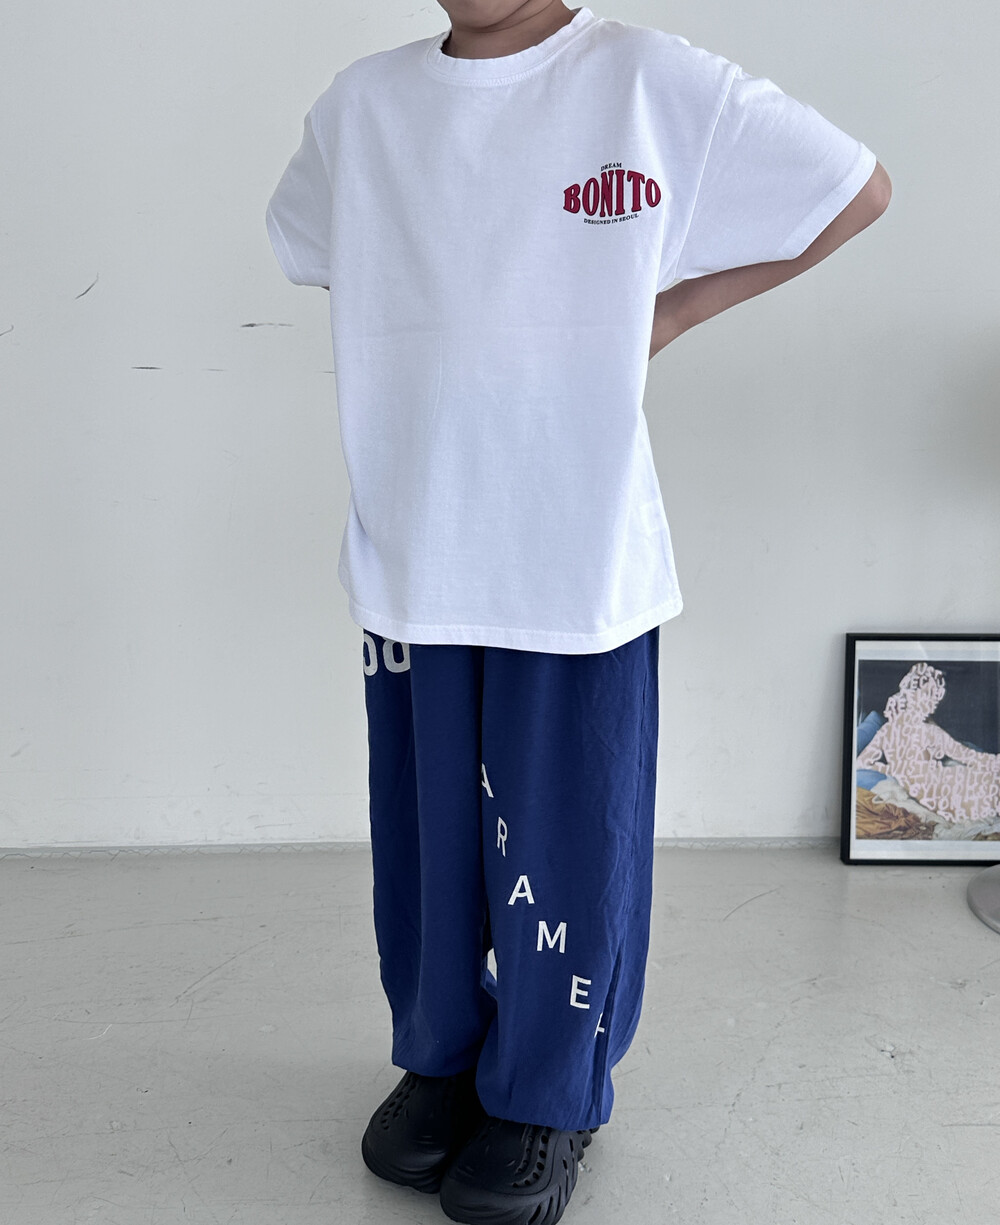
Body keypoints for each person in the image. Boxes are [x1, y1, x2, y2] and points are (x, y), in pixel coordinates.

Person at [265, 3, 891, 1222]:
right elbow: (332, 246)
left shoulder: (641, 79)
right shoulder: (362, 107)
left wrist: (669, 309)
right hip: (415, 540)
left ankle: (548, 1093)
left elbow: (853, 189)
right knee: (428, 836)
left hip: (573, 550)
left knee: (564, 838)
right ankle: (442, 1054)